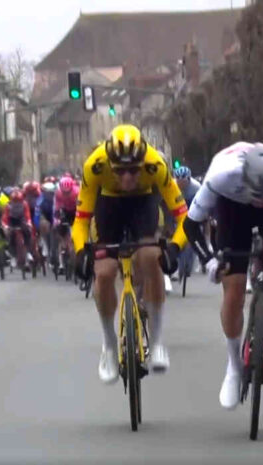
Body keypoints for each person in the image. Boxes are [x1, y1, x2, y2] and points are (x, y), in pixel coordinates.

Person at [183, 141, 263, 410]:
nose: (262, 199)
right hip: (232, 207)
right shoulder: (221, 176)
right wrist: (209, 260)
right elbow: (191, 224)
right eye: (259, 195)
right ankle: (233, 365)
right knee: (233, 290)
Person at [72, 124, 188, 383]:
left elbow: (184, 218)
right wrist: (80, 252)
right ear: (109, 164)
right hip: (108, 204)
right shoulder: (95, 165)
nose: (126, 178)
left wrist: (174, 248)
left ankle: (157, 342)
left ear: (142, 162)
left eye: (134, 170)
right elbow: (81, 220)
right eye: (120, 171)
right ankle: (109, 346)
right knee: (104, 273)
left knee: (151, 258)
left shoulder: (156, 165)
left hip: (143, 203)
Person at [173, 166, 202, 280]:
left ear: (189, 179)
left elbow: (200, 206)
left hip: (192, 206)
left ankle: (189, 264)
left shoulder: (196, 187)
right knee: (176, 237)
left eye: (183, 181)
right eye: (179, 181)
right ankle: (176, 268)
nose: (181, 184)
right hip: (178, 206)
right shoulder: (172, 185)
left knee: (192, 238)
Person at [2, 189, 35, 268]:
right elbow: (5, 217)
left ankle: (28, 252)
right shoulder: (8, 205)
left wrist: (29, 223)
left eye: (18, 201)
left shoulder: (24, 204)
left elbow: (27, 215)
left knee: (27, 232)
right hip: (12, 221)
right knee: (10, 236)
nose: (16, 203)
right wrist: (5, 226)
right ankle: (13, 256)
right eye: (15, 201)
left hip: (21, 220)